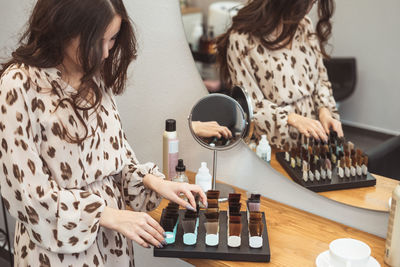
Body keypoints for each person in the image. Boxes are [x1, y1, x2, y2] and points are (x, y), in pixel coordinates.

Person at [0, 0, 206, 266]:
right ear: (65, 29)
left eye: (112, 40)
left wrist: (155, 182)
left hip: (112, 248)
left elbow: (115, 160)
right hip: (56, 254)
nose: (107, 53)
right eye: (99, 40)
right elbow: (26, 196)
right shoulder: (18, 85)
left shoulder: (93, 76)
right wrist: (104, 214)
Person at [216, 0, 343, 148]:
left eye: (313, 2)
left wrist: (324, 111)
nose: (309, 8)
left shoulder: (304, 25)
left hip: (314, 142)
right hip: (273, 146)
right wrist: (292, 119)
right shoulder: (242, 39)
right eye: (307, 2)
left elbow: (320, 79)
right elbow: (252, 106)